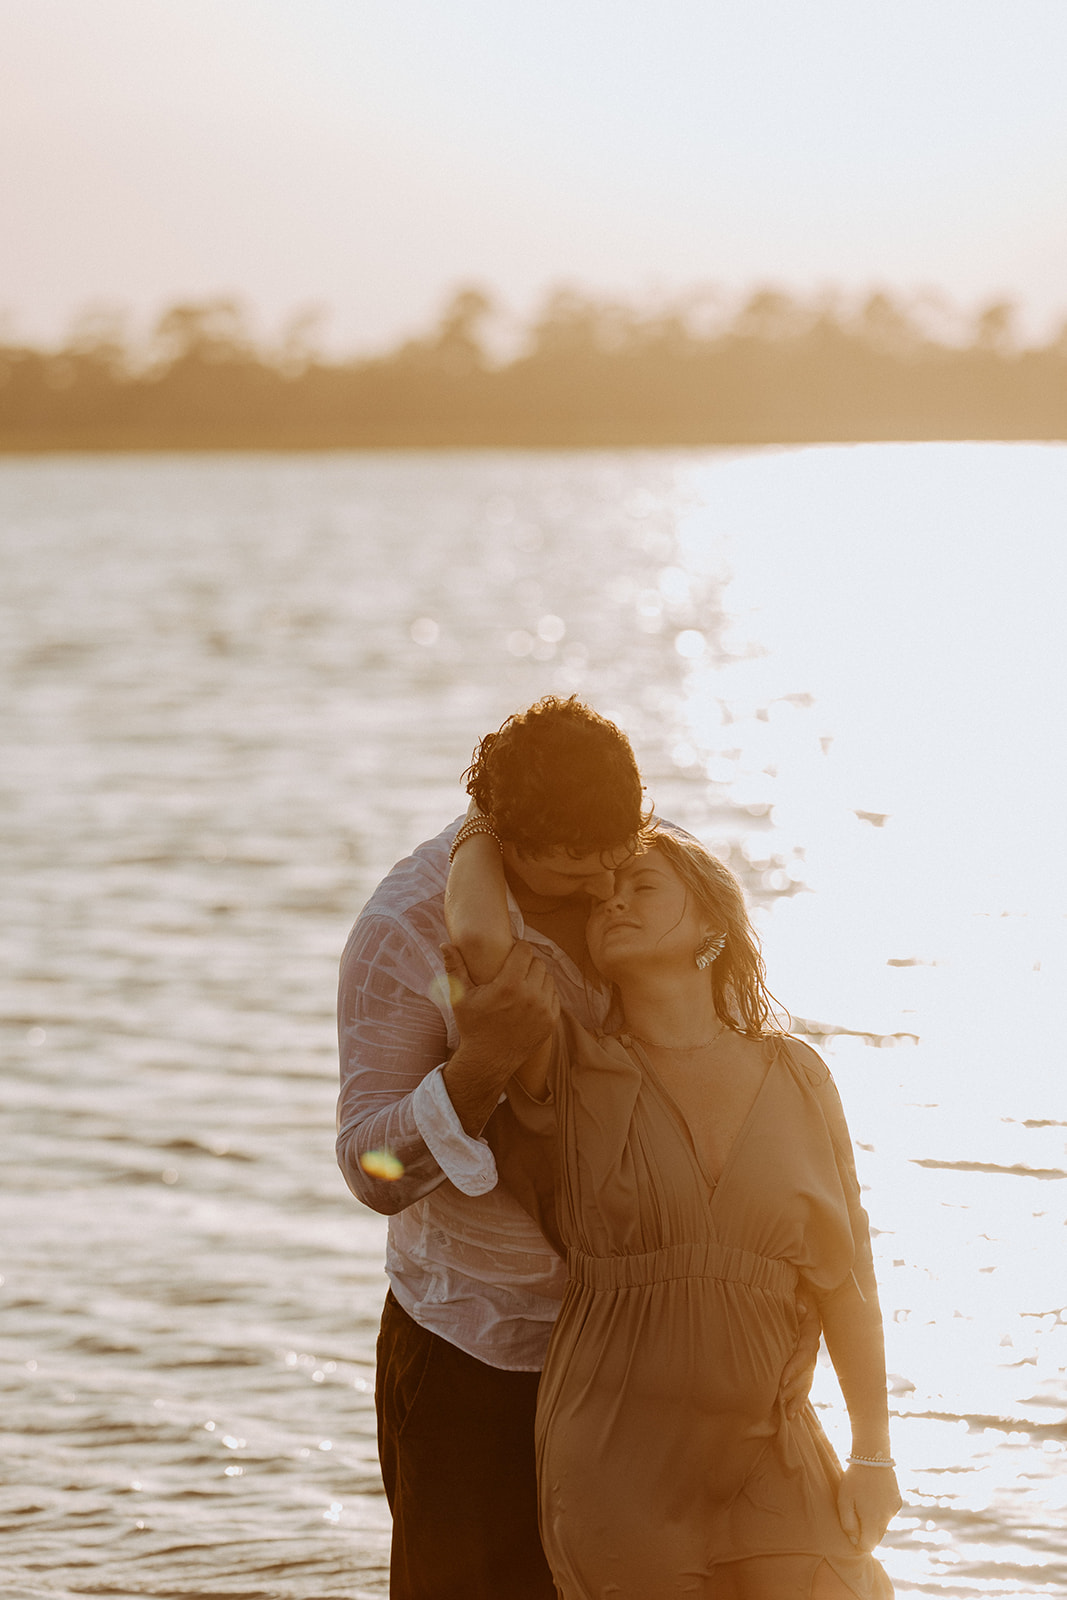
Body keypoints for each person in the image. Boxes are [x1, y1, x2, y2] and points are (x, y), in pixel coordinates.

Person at [337, 696, 819, 1600]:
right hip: (481, 1356)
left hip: (660, 1354)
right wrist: (479, 1068)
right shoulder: (404, 933)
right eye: (575, 870)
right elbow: (371, 1170)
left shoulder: (641, 866)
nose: (608, 889)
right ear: (509, 841)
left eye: (621, 853)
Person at [443, 820, 901, 1599]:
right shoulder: (573, 1066)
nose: (612, 904)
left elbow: (845, 1280)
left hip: (774, 1452)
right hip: (617, 1461)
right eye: (601, 900)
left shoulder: (798, 1075)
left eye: (641, 887)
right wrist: (492, 818)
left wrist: (872, 1454)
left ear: (711, 926)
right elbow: (482, 935)